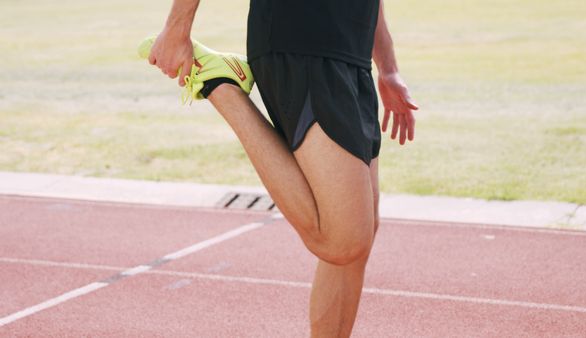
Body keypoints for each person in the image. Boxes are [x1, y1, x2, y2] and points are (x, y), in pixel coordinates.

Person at [143, 0, 417, 336]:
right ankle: (220, 83)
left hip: (350, 54)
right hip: (302, 38)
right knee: (344, 241)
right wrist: (177, 28)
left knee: (358, 238)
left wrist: (387, 67)